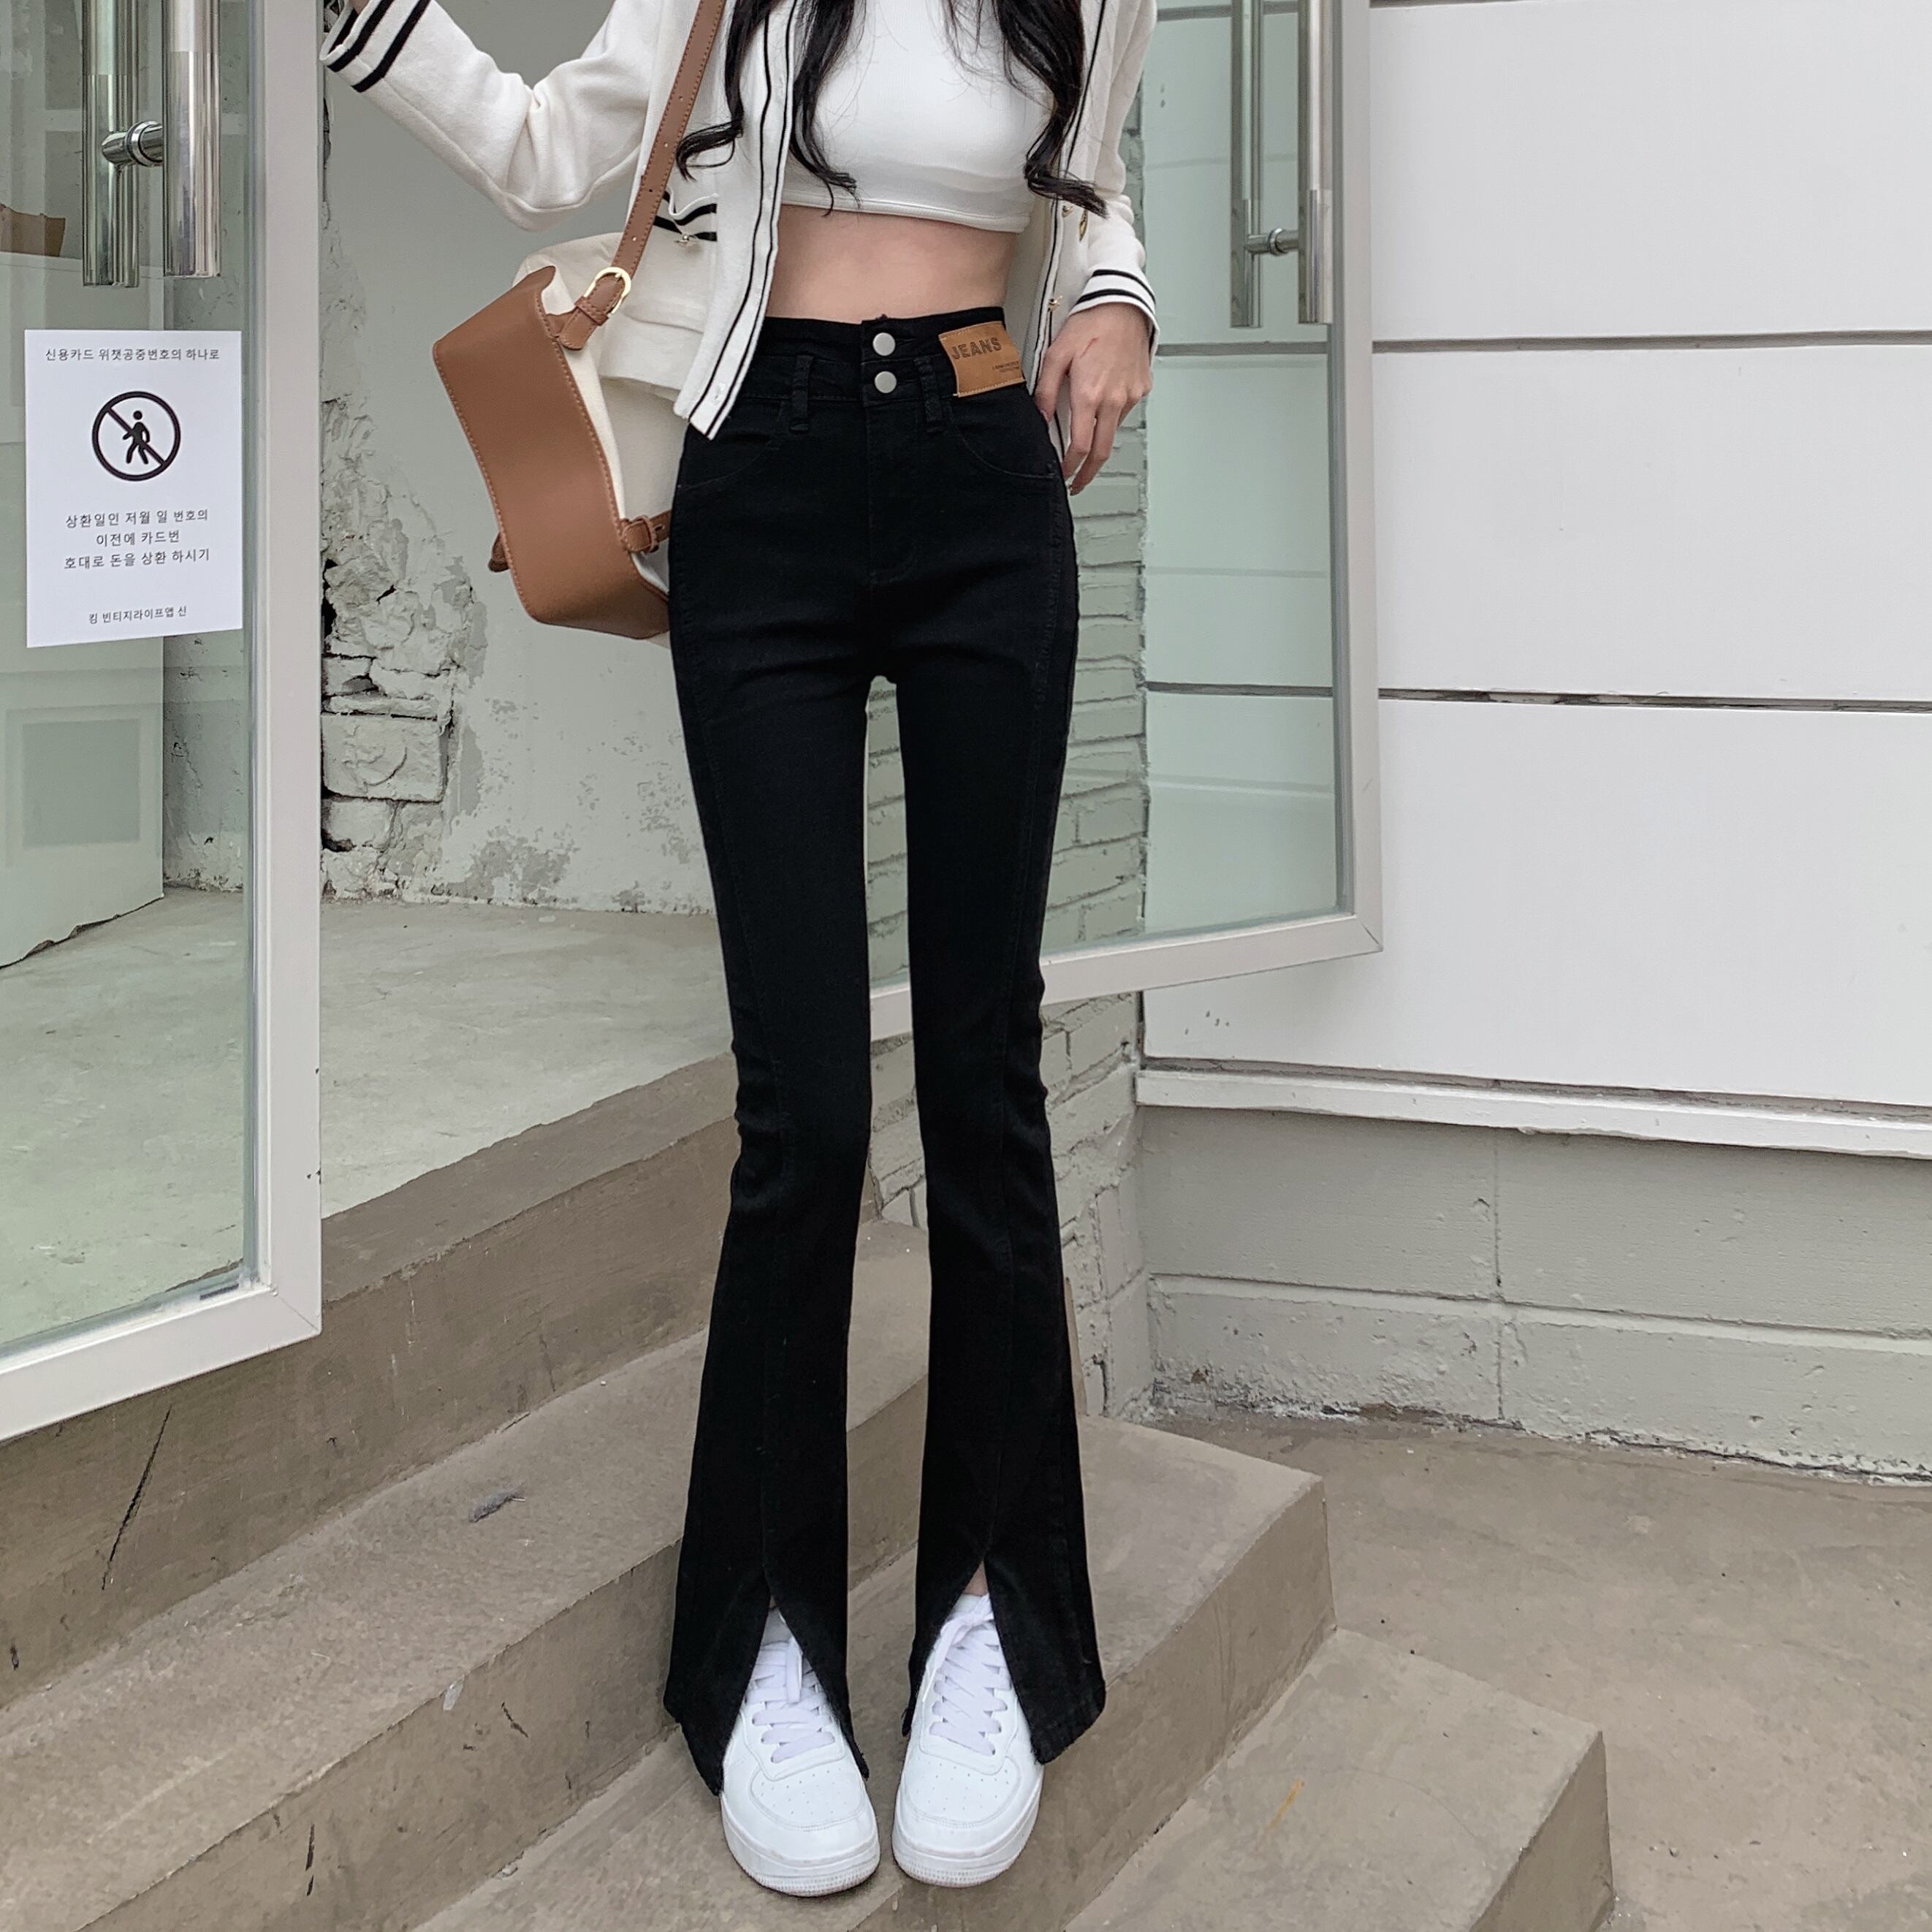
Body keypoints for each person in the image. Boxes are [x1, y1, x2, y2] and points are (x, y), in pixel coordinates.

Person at [320, 0, 1156, 1897]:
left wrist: (1113, 298)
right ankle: (764, 1645)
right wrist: (368, 28)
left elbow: (1095, 186)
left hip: (983, 475)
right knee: (805, 1113)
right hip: (763, 475)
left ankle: (989, 1622)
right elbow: (551, 147)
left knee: (984, 1076)